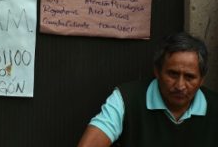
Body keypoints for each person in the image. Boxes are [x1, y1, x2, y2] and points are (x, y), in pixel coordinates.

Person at [77, 32, 218, 146]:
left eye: (189, 77)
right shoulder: (127, 99)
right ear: (157, 71)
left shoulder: (214, 107)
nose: (180, 85)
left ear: (202, 80)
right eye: (172, 74)